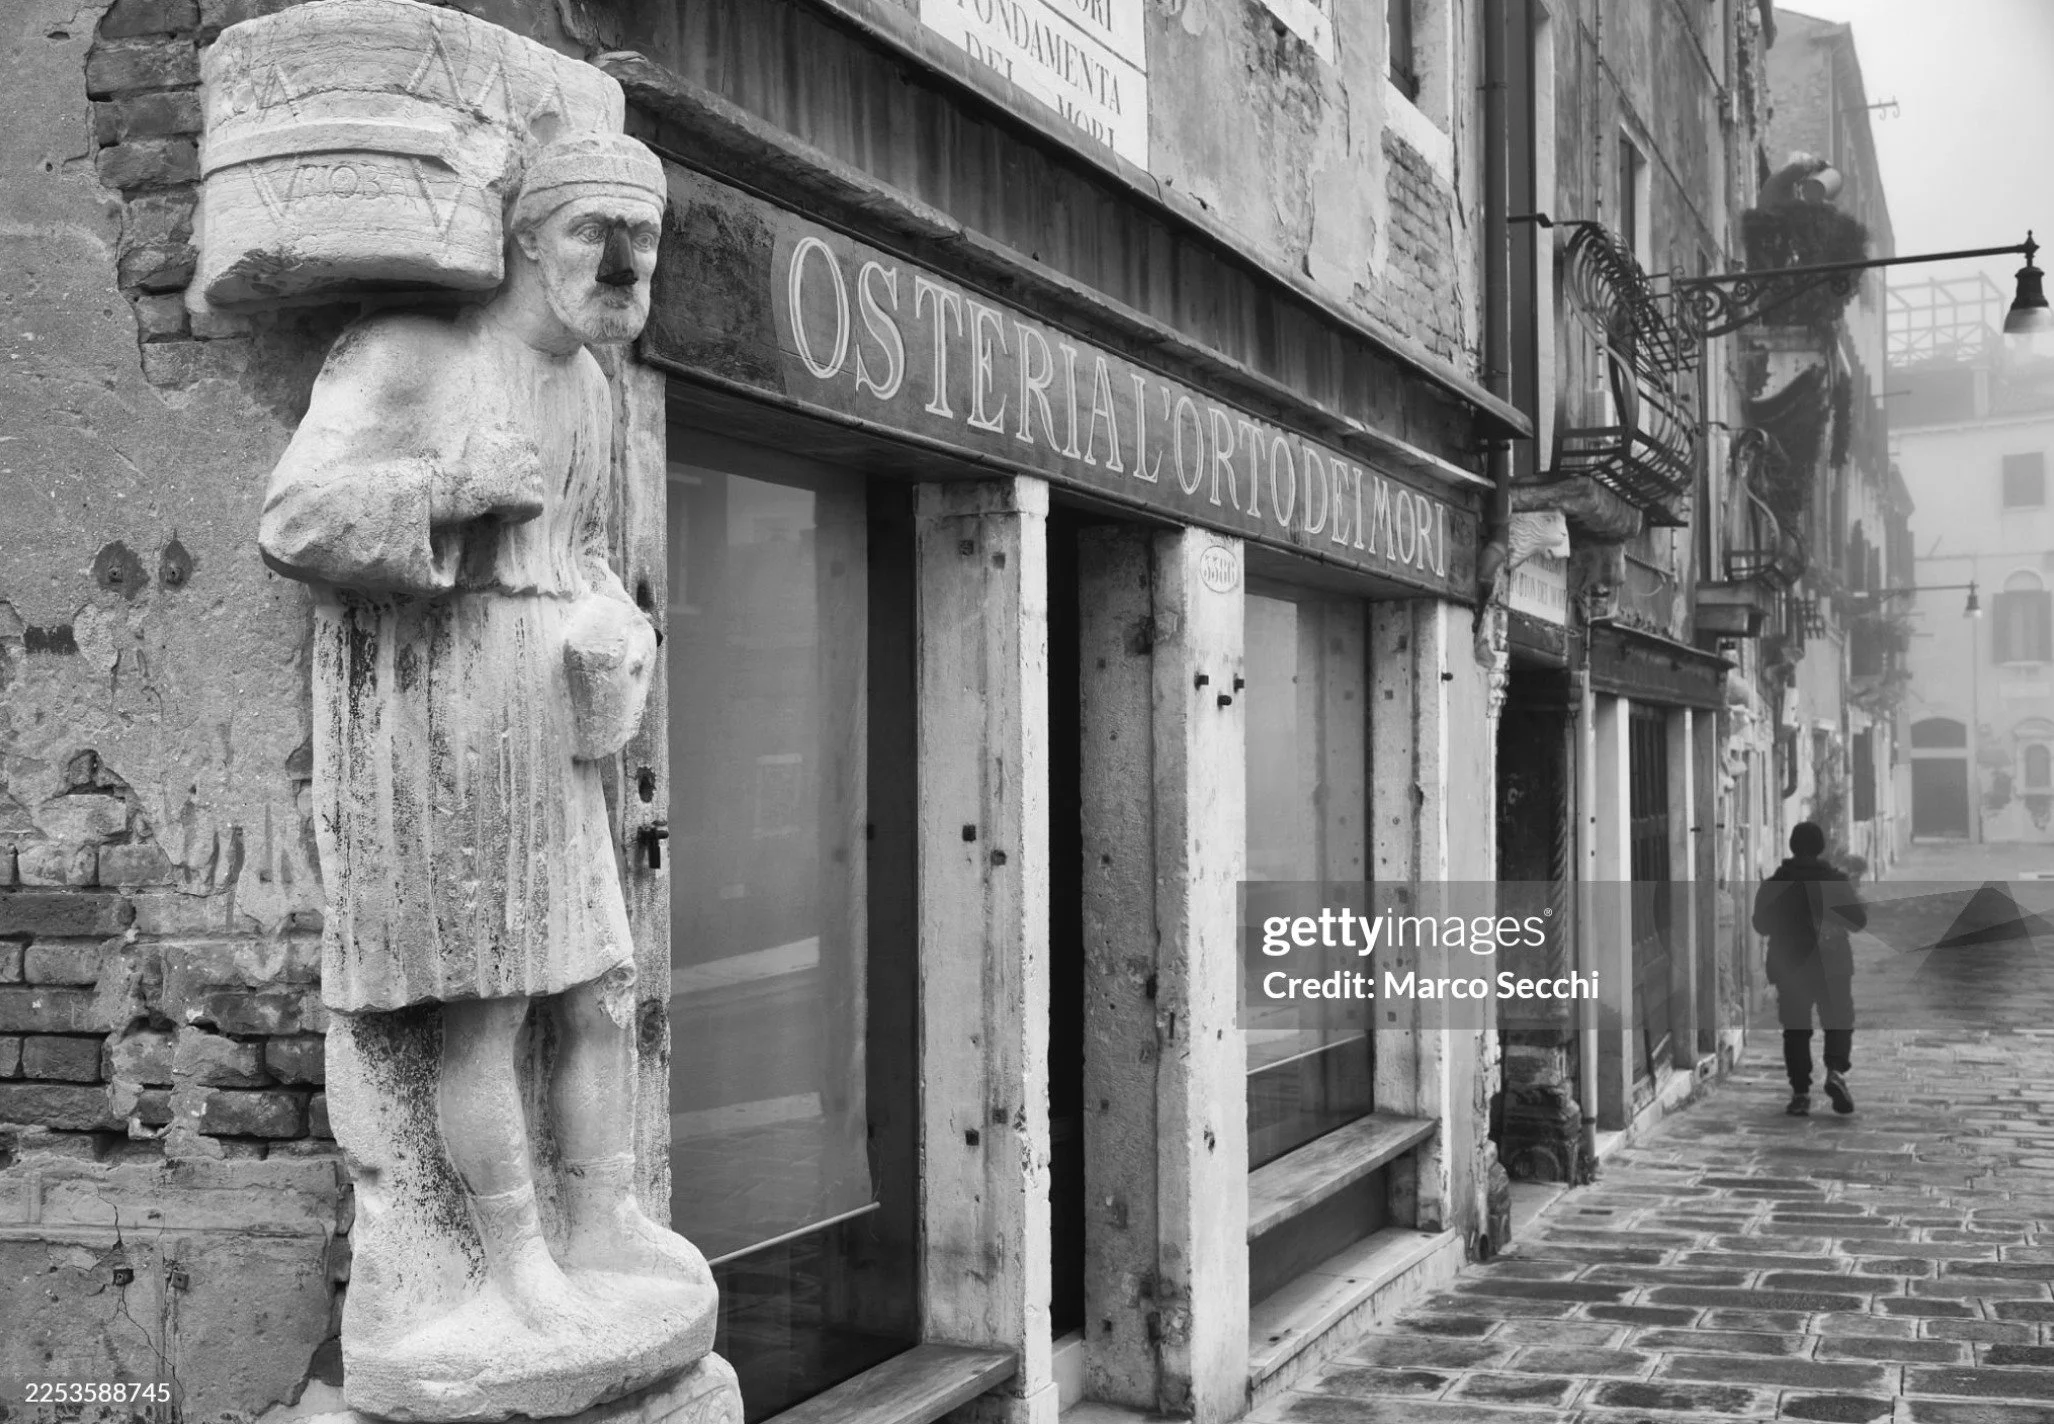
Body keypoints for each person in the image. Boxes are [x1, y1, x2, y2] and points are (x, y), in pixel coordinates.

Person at [259, 131, 712, 1335]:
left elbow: (592, 552)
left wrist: (615, 618)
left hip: (556, 719)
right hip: (447, 715)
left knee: (600, 987)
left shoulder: (593, 389)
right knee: (494, 1005)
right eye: (589, 233)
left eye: (642, 238)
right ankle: (509, 1255)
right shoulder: (416, 349)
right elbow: (295, 518)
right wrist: (448, 488)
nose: (620, 264)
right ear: (524, 236)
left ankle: (599, 1212)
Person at [1752, 821, 1864, 1116]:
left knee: (1796, 1029)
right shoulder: (1835, 882)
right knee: (1838, 1020)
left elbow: (1760, 925)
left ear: (1792, 846)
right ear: (1820, 848)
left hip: (1791, 965)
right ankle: (1836, 1072)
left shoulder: (1776, 883)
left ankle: (1800, 1092)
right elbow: (1858, 921)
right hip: (1833, 964)